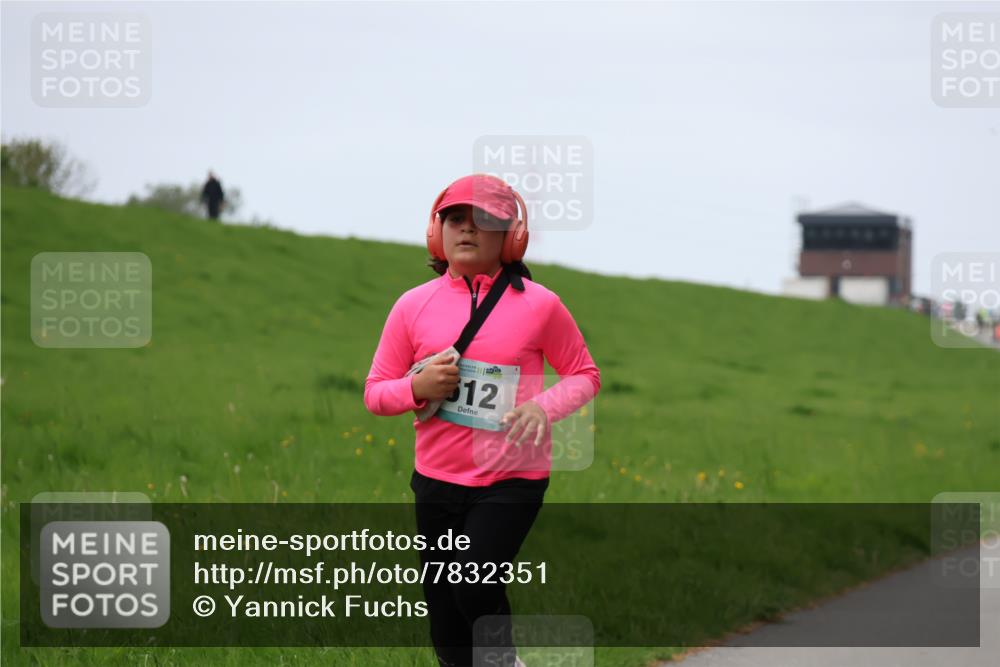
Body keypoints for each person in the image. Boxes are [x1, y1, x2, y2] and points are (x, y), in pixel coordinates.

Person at [363, 173, 601, 667]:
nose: (466, 230)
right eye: (454, 219)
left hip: (511, 479)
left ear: (512, 236)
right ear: (437, 232)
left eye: (483, 220)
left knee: (472, 584)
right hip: (435, 480)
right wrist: (415, 389)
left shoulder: (541, 305)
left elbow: (584, 374)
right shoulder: (412, 306)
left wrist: (543, 407)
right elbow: (375, 392)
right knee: (445, 616)